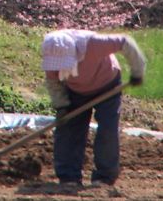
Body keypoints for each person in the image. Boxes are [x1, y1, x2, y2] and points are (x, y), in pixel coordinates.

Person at [40, 29, 146, 188]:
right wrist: (61, 106)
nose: (58, 68)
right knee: (68, 131)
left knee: (107, 130)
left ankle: (104, 177)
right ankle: (69, 177)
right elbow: (54, 83)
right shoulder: (52, 53)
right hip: (75, 92)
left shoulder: (92, 44)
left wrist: (137, 71)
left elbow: (126, 42)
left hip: (107, 86)